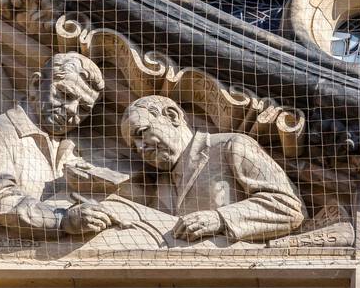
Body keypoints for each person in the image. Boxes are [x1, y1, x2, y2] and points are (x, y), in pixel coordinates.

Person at [119, 95, 304, 242]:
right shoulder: (163, 185)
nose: (140, 148)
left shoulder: (231, 145)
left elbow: (288, 207)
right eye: (134, 147)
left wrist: (220, 218)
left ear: (172, 116)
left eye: (141, 132)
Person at [0, 53, 113, 239]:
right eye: (65, 94)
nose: (72, 110)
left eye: (83, 109)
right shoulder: (1, 130)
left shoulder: (75, 147)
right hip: (14, 256)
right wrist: (62, 220)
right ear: (36, 85)